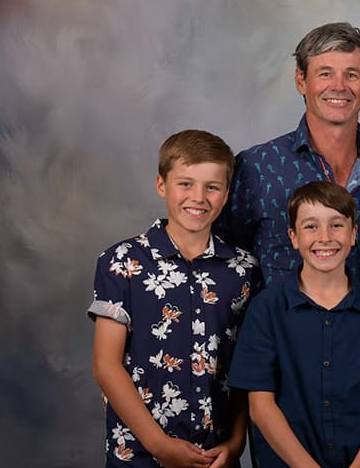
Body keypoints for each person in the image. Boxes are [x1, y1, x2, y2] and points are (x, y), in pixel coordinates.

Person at [89, 130, 259, 468]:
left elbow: (246, 365)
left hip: (215, 456)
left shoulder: (243, 270)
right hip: (139, 454)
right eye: (185, 184)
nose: (198, 197)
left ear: (226, 195)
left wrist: (237, 443)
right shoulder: (123, 260)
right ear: (161, 185)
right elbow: (105, 365)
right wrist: (159, 445)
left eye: (212, 187)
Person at [228, 181, 360, 468]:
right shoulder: (267, 308)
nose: (324, 237)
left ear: (353, 234)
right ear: (293, 237)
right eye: (311, 227)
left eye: (336, 225)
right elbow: (260, 406)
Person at [216, 21, 360, 287]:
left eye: (351, 75)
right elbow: (221, 262)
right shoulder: (256, 168)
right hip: (273, 326)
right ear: (301, 80)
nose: (339, 86)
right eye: (325, 73)